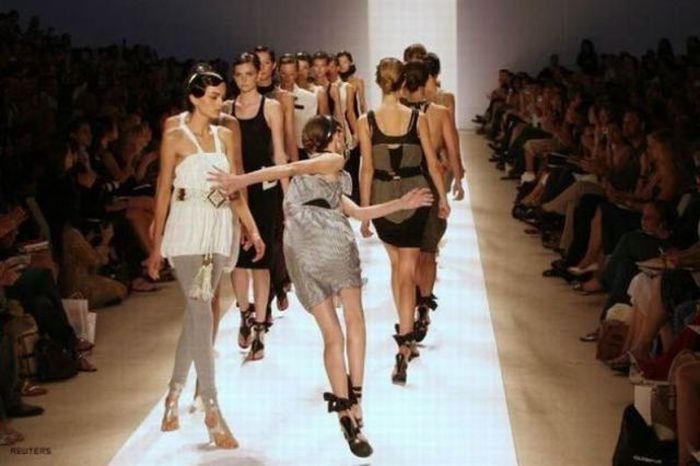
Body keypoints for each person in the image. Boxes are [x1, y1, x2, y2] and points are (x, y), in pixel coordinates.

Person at [210, 115, 434, 458]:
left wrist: (401, 203)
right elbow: (287, 168)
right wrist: (240, 179)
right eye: (340, 134)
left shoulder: (324, 177)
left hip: (299, 252)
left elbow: (359, 211)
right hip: (331, 242)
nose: (344, 140)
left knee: (332, 336)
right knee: (354, 321)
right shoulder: (333, 162)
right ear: (330, 137)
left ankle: (343, 408)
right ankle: (355, 400)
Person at [146, 64, 263, 449]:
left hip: (217, 227)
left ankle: (173, 395)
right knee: (201, 312)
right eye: (213, 97)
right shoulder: (174, 136)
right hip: (186, 228)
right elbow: (163, 189)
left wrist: (251, 228)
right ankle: (212, 408)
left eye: (222, 97)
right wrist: (155, 246)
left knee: (197, 315)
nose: (220, 103)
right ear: (194, 98)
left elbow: (234, 189)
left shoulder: (225, 135)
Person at [358, 58, 450, 385]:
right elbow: (432, 163)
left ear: (378, 82)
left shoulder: (366, 121)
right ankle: (405, 344)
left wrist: (366, 212)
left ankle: (405, 337)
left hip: (384, 199)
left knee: (397, 268)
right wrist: (443, 198)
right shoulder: (417, 117)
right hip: (416, 196)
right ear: (401, 83)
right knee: (407, 272)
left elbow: (367, 169)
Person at [228, 52, 287, 360]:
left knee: (261, 261)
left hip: (264, 190)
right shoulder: (226, 110)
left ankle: (261, 328)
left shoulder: (271, 107)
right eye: (239, 75)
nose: (244, 80)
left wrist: (287, 196)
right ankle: (244, 314)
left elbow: (279, 154)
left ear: (259, 74)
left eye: (249, 74)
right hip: (235, 189)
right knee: (238, 259)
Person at [401, 59, 465, 341]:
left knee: (408, 253)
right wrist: (458, 180)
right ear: (428, 81)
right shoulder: (439, 113)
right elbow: (452, 149)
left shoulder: (394, 112)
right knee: (427, 250)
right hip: (430, 184)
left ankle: (410, 306)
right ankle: (423, 305)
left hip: (402, 186)